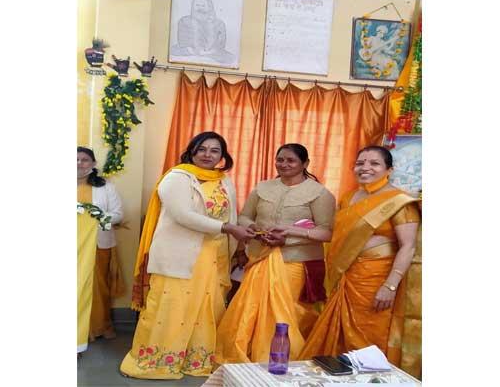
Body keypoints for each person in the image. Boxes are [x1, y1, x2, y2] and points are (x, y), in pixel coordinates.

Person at [120, 132, 255, 380]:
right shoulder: (177, 177)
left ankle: (195, 360)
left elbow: (232, 216)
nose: (207, 155)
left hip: (214, 256)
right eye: (202, 149)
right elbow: (182, 215)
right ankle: (157, 362)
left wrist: (238, 246)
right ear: (191, 151)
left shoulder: (224, 181)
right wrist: (226, 228)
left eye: (215, 150)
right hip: (178, 254)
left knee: (206, 308)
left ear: (223, 156)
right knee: (171, 308)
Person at [215, 143, 336, 364]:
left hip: (296, 262)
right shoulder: (263, 188)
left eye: (291, 160)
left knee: (284, 313)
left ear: (305, 164)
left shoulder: (319, 193)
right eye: (280, 159)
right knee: (250, 309)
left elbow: (326, 232)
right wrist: (253, 229)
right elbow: (244, 217)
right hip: (260, 257)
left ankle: (281, 359)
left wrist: (288, 237)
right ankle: (249, 357)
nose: (284, 164)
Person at [298, 145, 420, 362]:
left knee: (370, 336)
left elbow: (408, 246)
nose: (365, 168)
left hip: (376, 280)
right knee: (339, 336)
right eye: (360, 163)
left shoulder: (399, 201)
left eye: (374, 163)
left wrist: (390, 285)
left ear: (389, 170)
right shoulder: (348, 198)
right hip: (345, 276)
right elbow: (337, 238)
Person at [77, 147, 125, 353]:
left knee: (98, 288)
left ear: (93, 164)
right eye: (75, 159)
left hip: (98, 245)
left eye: (84, 160)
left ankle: (97, 327)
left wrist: (95, 216)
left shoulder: (105, 187)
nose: (79, 163)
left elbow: (118, 214)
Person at [171, 0, 234, 64]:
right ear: (193, 7)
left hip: (213, 53)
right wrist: (193, 50)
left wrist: (210, 51)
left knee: (229, 59)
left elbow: (221, 44)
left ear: (209, 7)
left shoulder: (219, 24)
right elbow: (182, 41)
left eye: (203, 5)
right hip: (188, 50)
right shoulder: (184, 21)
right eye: (197, 5)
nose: (200, 8)